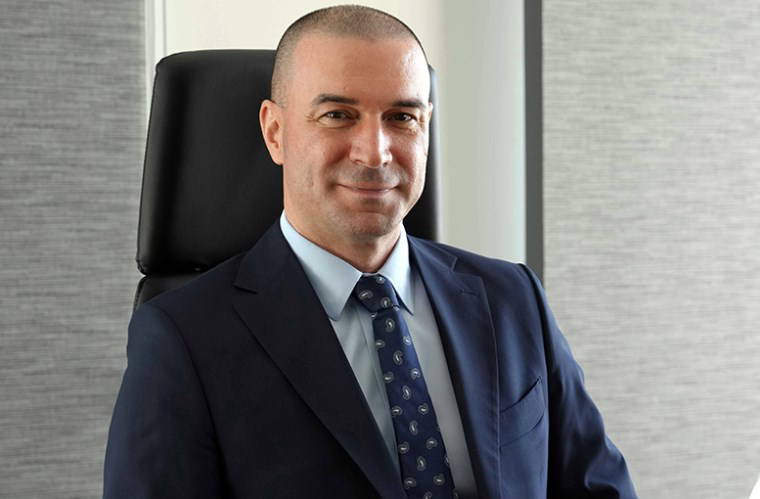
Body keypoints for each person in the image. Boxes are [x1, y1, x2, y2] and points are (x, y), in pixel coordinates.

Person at [104, 5, 637, 499]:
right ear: (275, 131)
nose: (376, 152)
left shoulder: (513, 299)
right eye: (338, 114)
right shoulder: (183, 340)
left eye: (402, 117)